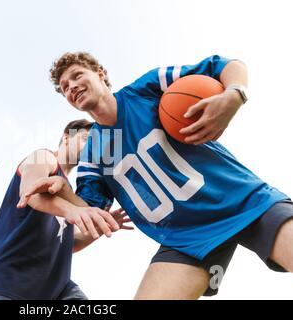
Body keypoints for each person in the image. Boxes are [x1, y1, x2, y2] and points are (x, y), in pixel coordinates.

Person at [40, 52, 293, 299]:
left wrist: (235, 93)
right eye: (64, 87)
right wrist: (61, 191)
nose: (71, 86)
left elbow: (226, 65)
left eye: (76, 76)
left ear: (100, 74)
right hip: (185, 240)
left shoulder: (146, 88)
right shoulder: (92, 153)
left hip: (242, 201)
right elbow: (90, 212)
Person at [0, 119, 133, 300]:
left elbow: (67, 244)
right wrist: (75, 210)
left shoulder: (68, 192)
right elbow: (30, 193)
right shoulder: (42, 157)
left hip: (54, 288)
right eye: (86, 139)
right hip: (11, 281)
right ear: (66, 137)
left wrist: (99, 226)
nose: (91, 147)